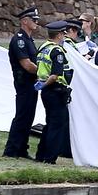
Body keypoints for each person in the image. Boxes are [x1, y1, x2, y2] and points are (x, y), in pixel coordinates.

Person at [2, 6, 40, 159]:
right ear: (25, 21)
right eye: (33, 19)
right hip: (24, 82)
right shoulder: (19, 40)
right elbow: (26, 64)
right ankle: (11, 149)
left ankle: (22, 148)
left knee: (29, 116)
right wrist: (44, 72)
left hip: (32, 83)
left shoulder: (29, 39)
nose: (36, 22)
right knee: (22, 115)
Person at [35, 20, 74, 164]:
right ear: (58, 35)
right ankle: (50, 157)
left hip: (46, 92)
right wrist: (45, 84)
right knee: (57, 125)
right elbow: (55, 75)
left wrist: (41, 85)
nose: (64, 36)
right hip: (56, 90)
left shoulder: (43, 47)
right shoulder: (56, 51)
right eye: (63, 34)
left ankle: (41, 154)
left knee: (49, 123)